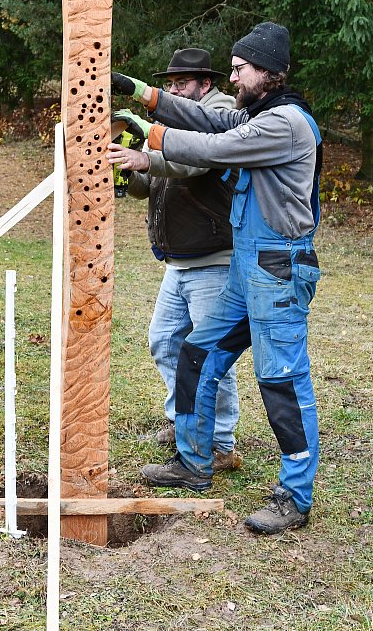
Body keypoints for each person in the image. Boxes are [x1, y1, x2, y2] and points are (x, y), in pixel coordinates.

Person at [108, 22, 322, 534]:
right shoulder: (254, 112)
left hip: (277, 269)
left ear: (267, 71)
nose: (233, 75)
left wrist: (146, 133)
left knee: (282, 382)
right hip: (247, 269)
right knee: (196, 353)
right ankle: (194, 462)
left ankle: (295, 496)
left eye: (239, 68)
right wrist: (142, 93)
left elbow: (213, 148)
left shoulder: (284, 124)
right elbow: (205, 116)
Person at [116, 48, 242, 473]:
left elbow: (195, 160)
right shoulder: (174, 120)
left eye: (181, 84)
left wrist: (145, 156)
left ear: (205, 84)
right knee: (166, 342)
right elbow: (152, 181)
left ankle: (221, 442)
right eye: (168, 85)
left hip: (215, 257)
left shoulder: (221, 112)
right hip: (180, 259)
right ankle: (186, 421)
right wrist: (127, 172)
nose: (172, 91)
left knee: (209, 354)